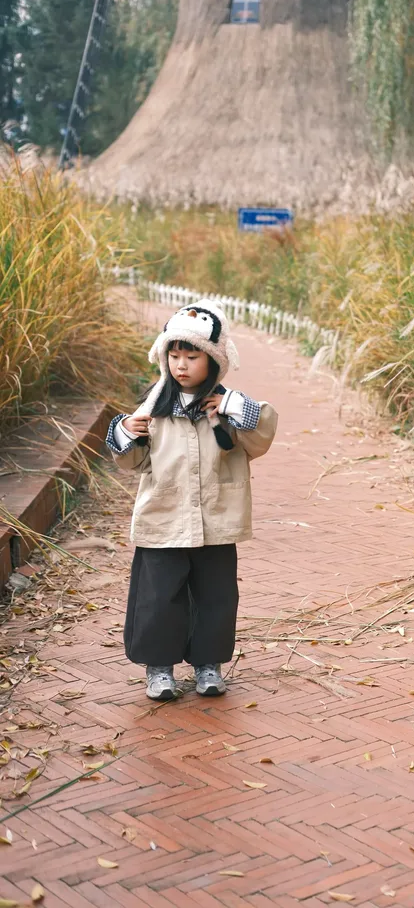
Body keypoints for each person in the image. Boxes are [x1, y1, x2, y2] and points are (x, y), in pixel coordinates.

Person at [106, 299, 278, 701]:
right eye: (175, 355)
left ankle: (207, 665)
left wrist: (234, 407)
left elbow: (262, 436)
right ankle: (159, 669)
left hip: (216, 520)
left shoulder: (231, 407)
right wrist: (126, 431)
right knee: (158, 596)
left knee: (215, 596)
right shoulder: (154, 408)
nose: (181, 365)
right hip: (163, 519)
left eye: (192, 356)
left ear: (214, 361)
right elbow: (134, 462)